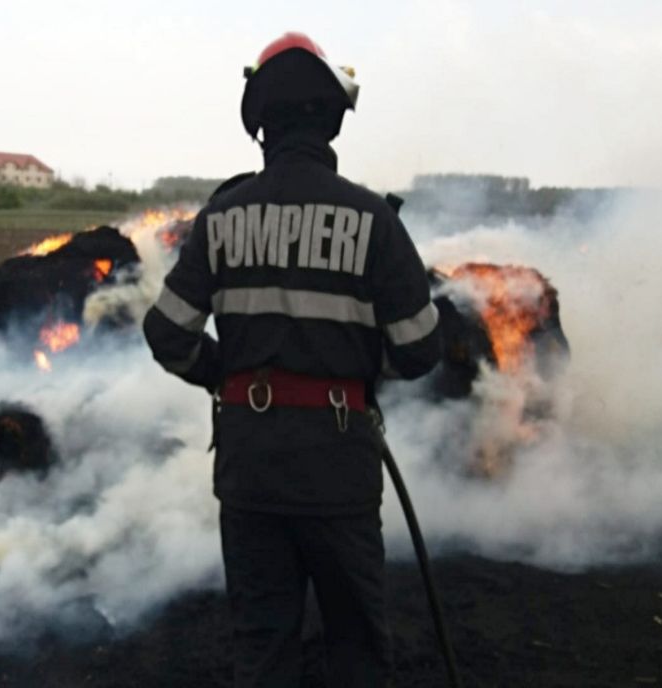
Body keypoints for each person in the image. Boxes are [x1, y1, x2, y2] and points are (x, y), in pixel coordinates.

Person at [143, 32, 442, 688]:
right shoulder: (373, 219)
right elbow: (421, 346)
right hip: (338, 467)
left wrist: (224, 374)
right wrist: (358, 374)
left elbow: (167, 332)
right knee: (356, 647)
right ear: (332, 120)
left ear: (261, 126)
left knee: (263, 647)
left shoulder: (220, 218)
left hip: (250, 468)